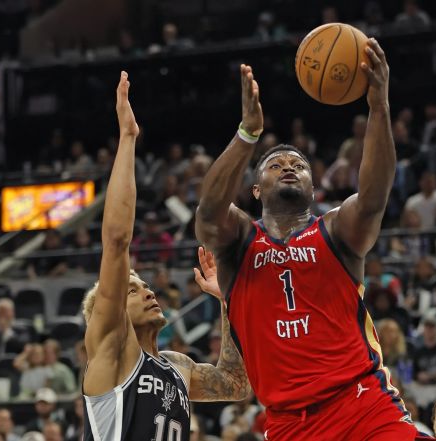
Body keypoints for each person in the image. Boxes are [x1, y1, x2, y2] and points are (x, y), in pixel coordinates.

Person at [195, 40, 431, 440]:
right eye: (275, 164)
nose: (289, 166)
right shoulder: (240, 241)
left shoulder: (336, 230)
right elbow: (208, 212)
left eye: (299, 165)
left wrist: (379, 107)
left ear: (313, 188)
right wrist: (247, 134)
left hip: (361, 404)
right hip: (289, 423)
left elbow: (374, 196)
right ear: (255, 189)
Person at [80, 72, 250, 441]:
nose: (146, 291)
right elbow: (116, 240)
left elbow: (235, 384)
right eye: (131, 290)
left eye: (143, 285)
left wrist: (228, 301)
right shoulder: (112, 351)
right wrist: (128, 138)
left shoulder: (178, 366)